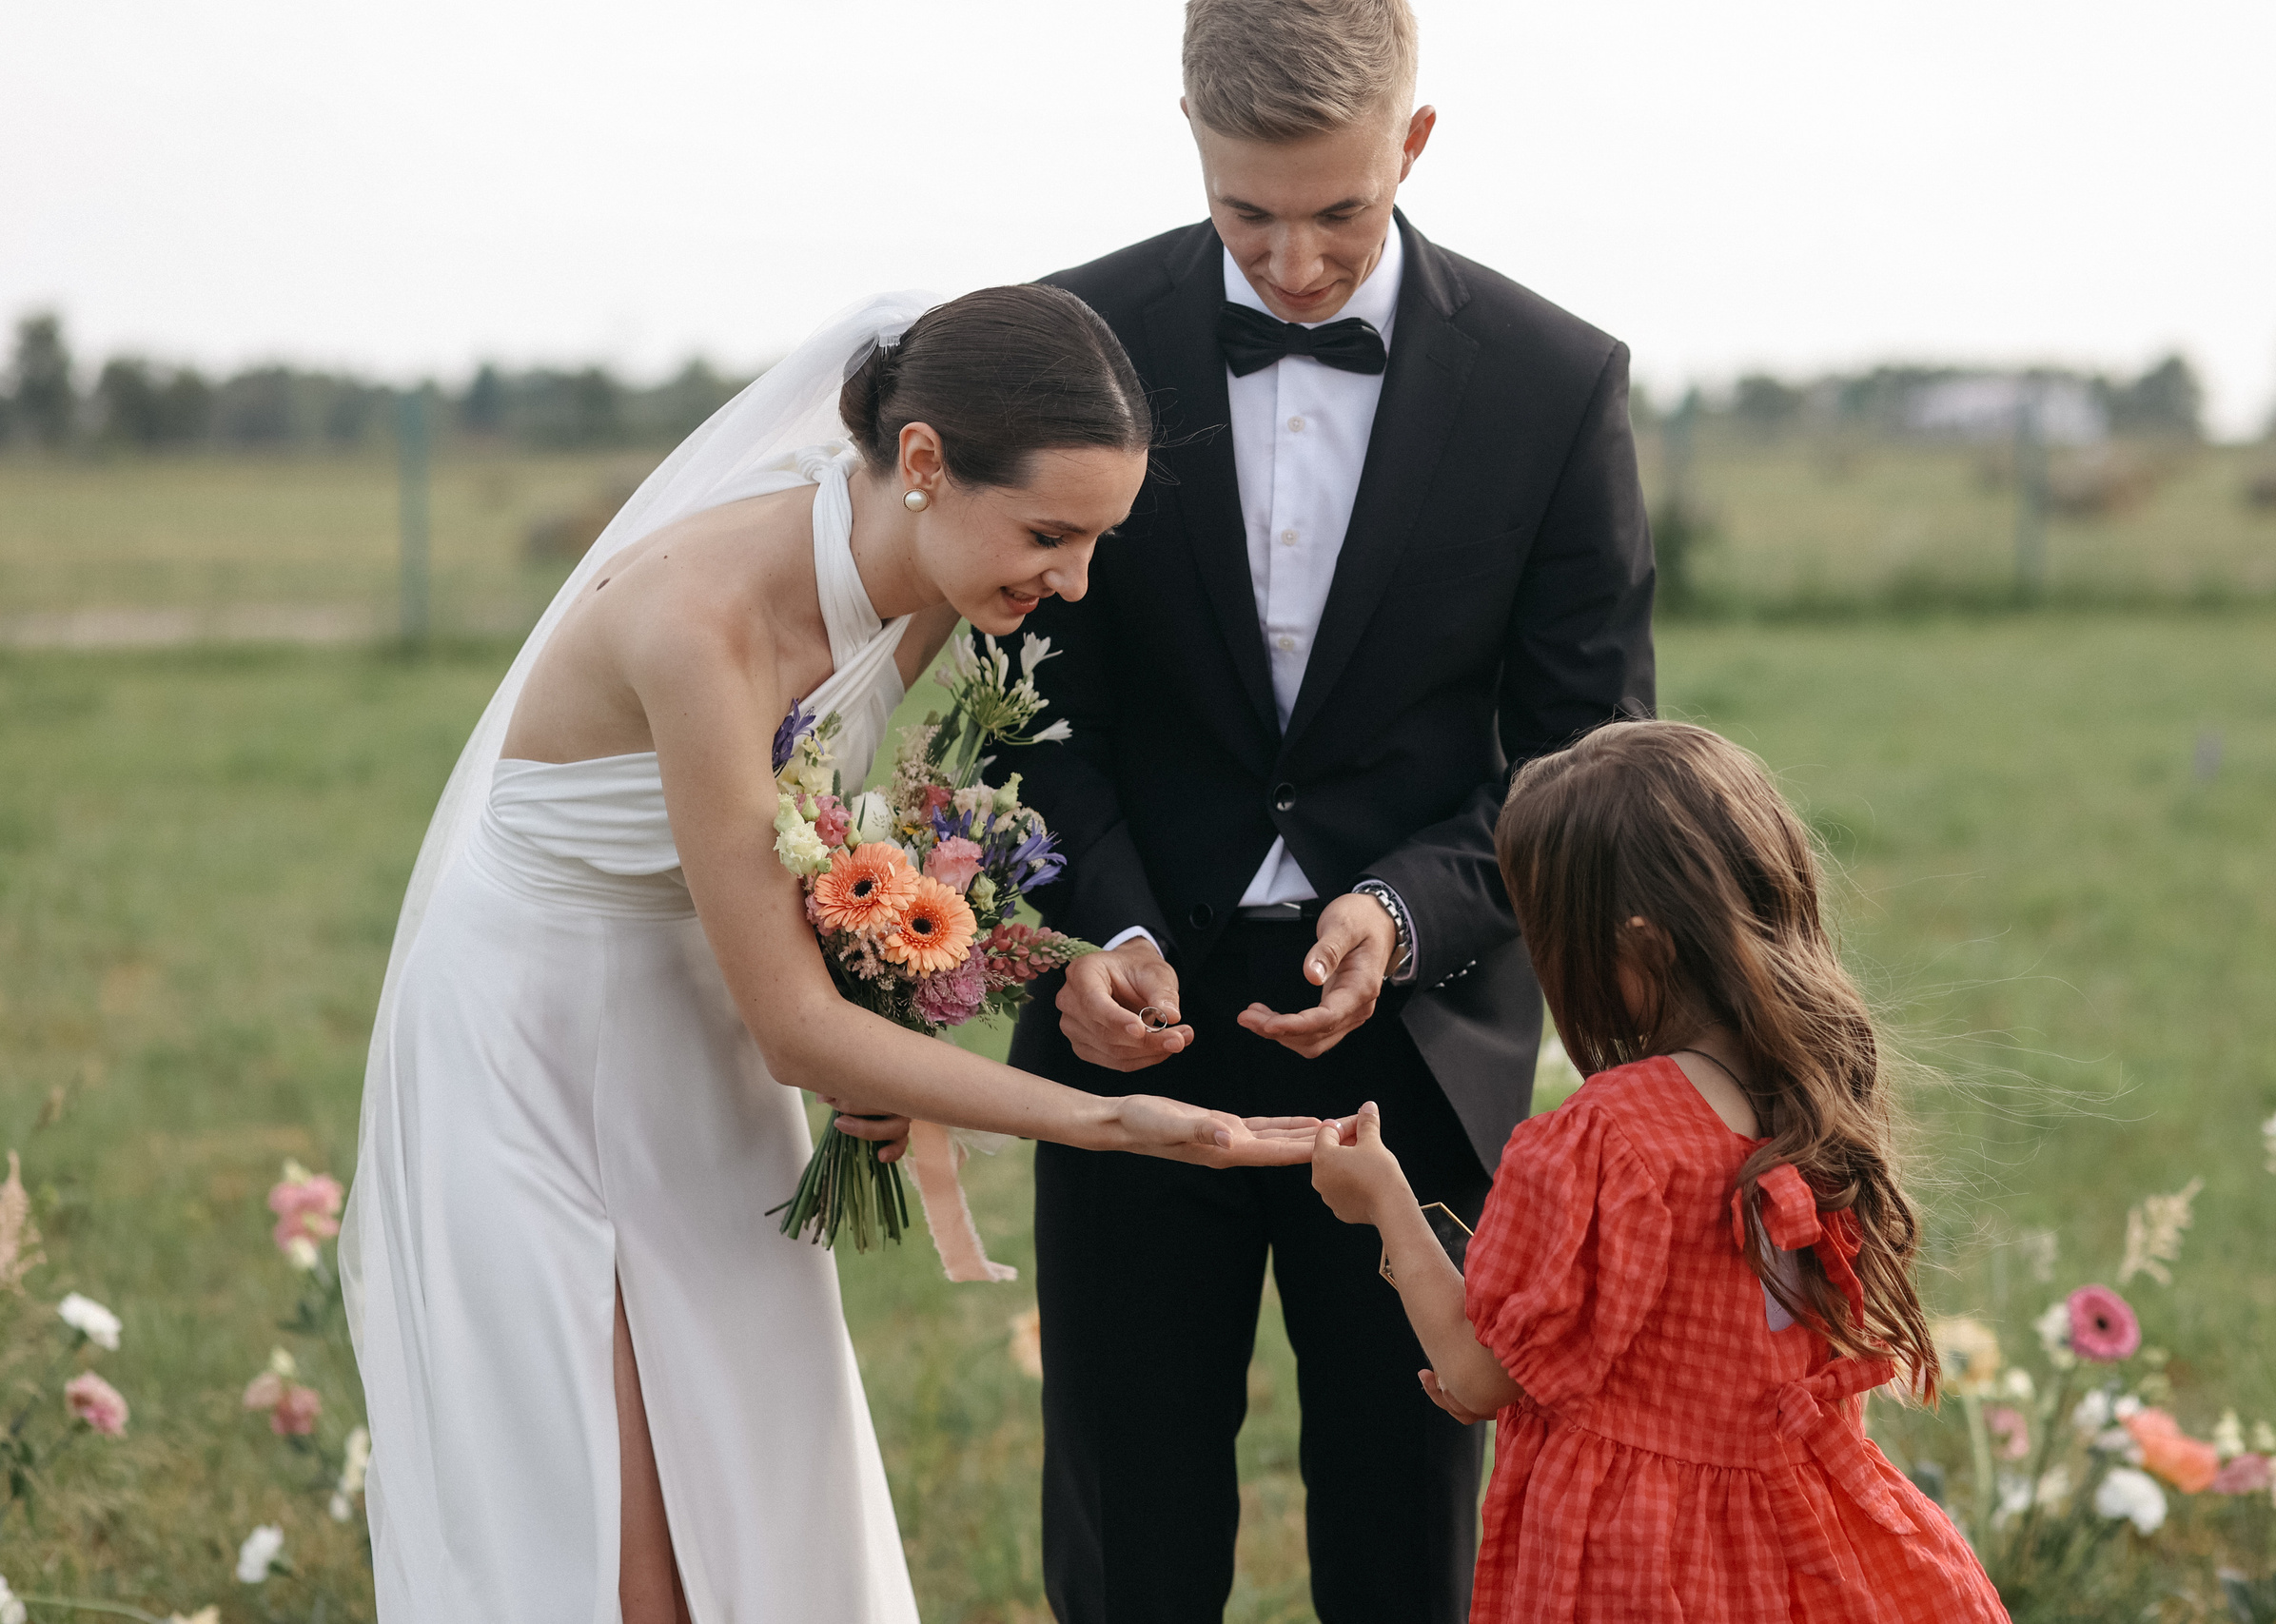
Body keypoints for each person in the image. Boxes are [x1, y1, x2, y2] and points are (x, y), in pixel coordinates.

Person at [338, 285, 1318, 1624]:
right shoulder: (702, 623)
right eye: (1050, 532)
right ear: (922, 463)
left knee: (748, 1452)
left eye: (1097, 538)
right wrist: (1108, 1118)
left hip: (699, 1008)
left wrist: (1046, 960)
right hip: (527, 1036)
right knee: (605, 1526)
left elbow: (818, 849)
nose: (1074, 580)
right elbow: (798, 1028)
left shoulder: (929, 586)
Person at [1009, 2, 1655, 1618]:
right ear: (1189, 140)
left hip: (1424, 1049)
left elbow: (1589, 752)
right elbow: (1017, 714)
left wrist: (1413, 908)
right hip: (1126, 1024)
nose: (1294, 265)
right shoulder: (1067, 342)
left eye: (1339, 214)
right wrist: (1108, 930)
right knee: (1127, 1510)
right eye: (1249, 216)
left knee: (1408, 1519)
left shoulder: (1556, 384)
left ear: (1415, 145)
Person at [1308, 720, 2011, 1623]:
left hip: (1632, 1560)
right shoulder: (1807, 1092)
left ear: (1638, 945)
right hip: (1778, 1545)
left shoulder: (1603, 1138)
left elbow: (1480, 1375)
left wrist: (1383, 1199)